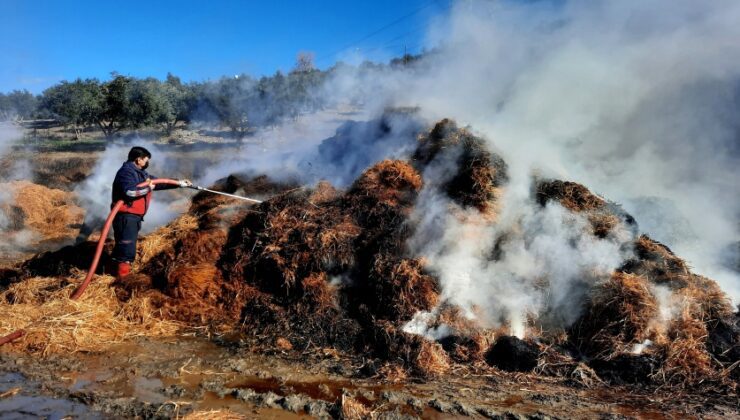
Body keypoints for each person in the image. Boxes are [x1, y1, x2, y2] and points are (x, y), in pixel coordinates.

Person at [110, 146, 191, 280]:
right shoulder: (126, 172)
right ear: (138, 160)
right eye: (146, 160)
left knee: (124, 247)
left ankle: (113, 273)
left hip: (134, 216)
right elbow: (129, 192)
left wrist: (178, 183)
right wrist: (148, 188)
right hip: (126, 216)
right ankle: (122, 280)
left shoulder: (140, 173)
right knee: (126, 248)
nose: (148, 163)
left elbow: (159, 183)